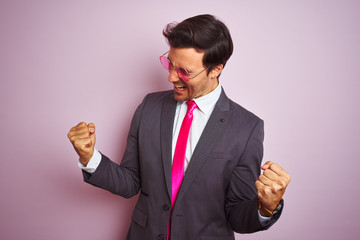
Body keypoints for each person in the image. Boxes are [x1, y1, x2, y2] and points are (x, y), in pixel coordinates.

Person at [67, 14, 291, 240]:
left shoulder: (246, 128)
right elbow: (130, 182)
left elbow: (237, 214)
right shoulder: (149, 107)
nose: (171, 77)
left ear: (215, 69)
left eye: (185, 71)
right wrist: (89, 157)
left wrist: (265, 208)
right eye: (170, 64)